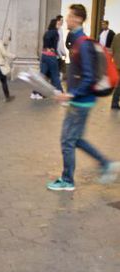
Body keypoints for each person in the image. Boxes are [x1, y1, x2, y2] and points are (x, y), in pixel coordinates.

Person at [49, 4, 120, 191]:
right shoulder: (76, 41)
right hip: (79, 100)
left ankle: (67, 181)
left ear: (78, 19)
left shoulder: (83, 43)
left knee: (67, 141)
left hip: (81, 101)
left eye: (70, 16)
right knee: (76, 139)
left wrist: (71, 94)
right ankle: (106, 163)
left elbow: (88, 76)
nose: (67, 19)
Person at [30, 19, 63, 100]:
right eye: (58, 24)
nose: (59, 26)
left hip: (44, 55)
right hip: (51, 56)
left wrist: (47, 48)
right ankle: (60, 93)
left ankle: (35, 93)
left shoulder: (47, 32)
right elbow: (55, 46)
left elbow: (46, 41)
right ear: (54, 25)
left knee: (42, 76)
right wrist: (51, 49)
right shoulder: (55, 32)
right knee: (55, 75)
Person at [111, 33, 120, 110]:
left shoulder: (116, 36)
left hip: (117, 63)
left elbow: (112, 49)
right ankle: (115, 102)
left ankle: (114, 102)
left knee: (118, 84)